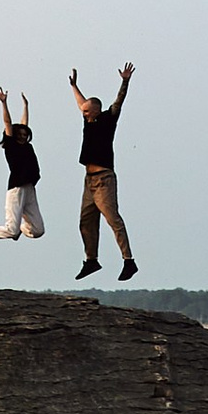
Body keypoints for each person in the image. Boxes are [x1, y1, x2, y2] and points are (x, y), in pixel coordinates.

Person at [69, 62, 137, 281]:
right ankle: (91, 261)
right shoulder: (87, 120)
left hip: (104, 180)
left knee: (112, 219)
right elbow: (81, 103)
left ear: (96, 110)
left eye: (88, 111)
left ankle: (129, 261)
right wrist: (74, 86)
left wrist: (125, 81)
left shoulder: (108, 119)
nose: (84, 113)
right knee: (85, 221)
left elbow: (119, 102)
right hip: (89, 181)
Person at [0, 90, 45, 249]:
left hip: (30, 188)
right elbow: (8, 123)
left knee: (38, 230)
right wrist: (4, 103)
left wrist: (26, 106)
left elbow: (24, 124)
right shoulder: (11, 146)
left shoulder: (27, 146)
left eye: (26, 135)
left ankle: (18, 228)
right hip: (17, 188)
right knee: (11, 231)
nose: (24, 137)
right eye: (21, 134)